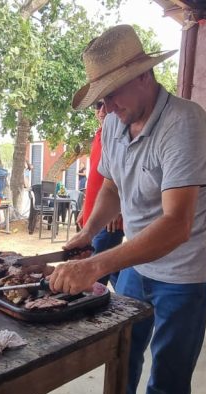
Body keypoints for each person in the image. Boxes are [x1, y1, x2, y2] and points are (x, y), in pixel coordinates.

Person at [49, 25, 206, 394]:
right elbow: (111, 187)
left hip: (184, 272)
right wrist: (88, 234)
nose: (105, 107)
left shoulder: (185, 124)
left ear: (144, 76)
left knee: (168, 375)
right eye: (100, 99)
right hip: (136, 264)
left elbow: (177, 225)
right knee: (121, 356)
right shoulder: (113, 126)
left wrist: (96, 265)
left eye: (111, 94)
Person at [79, 100, 125, 288]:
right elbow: (94, 179)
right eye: (97, 106)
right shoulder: (100, 135)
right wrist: (84, 208)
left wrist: (119, 210)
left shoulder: (120, 137)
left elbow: (125, 175)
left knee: (93, 276)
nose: (102, 110)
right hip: (93, 216)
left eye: (106, 104)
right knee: (114, 271)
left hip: (108, 220)